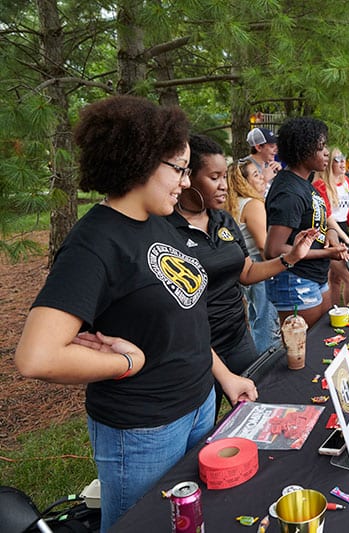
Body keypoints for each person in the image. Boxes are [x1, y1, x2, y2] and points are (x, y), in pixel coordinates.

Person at [14, 96, 258, 532]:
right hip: (143, 431)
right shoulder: (95, 244)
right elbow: (36, 356)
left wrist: (223, 376)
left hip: (200, 404)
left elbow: (187, 317)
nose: (186, 183)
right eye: (179, 168)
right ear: (140, 160)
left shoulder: (160, 221)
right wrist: (127, 362)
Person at [168, 134, 316, 411]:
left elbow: (246, 272)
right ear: (187, 178)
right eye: (214, 177)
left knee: (258, 408)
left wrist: (291, 258)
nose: (224, 186)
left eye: (225, 176)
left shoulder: (223, 220)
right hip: (196, 348)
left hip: (236, 337)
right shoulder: (165, 227)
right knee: (204, 429)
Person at [264, 118, 348, 327]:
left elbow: (318, 225)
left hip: (315, 277)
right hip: (295, 281)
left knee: (322, 339)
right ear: (302, 151)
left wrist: (331, 235)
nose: (327, 152)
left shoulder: (305, 184)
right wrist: (327, 253)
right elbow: (273, 249)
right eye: (321, 147)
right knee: (306, 348)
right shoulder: (289, 191)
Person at [223, 159, 281, 354]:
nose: (263, 179)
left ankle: (258, 357)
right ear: (243, 181)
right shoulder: (253, 204)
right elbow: (263, 246)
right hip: (258, 267)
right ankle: (266, 364)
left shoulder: (232, 204)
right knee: (266, 319)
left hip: (242, 266)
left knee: (256, 316)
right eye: (256, 175)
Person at [313, 147, 349, 305]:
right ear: (329, 164)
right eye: (338, 159)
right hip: (330, 234)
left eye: (343, 158)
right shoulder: (320, 185)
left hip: (345, 231)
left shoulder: (346, 180)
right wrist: (346, 239)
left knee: (336, 278)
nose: (342, 163)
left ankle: (334, 309)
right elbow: (328, 217)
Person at [244, 127, 282, 194]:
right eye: (272, 146)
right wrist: (264, 179)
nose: (276, 150)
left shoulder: (271, 165)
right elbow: (244, 196)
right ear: (258, 147)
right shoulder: (243, 167)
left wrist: (281, 175)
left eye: (277, 146)